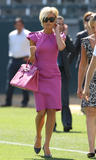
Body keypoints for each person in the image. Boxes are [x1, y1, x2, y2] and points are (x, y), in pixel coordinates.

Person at [27, 7, 66, 158]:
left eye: (52, 19)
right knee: (40, 112)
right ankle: (38, 136)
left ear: (55, 21)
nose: (48, 22)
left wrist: (56, 31)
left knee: (51, 111)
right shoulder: (34, 36)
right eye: (46, 20)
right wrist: (31, 54)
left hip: (54, 78)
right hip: (39, 77)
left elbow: (61, 47)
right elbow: (31, 59)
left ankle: (47, 145)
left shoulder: (59, 35)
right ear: (42, 20)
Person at [77, 14, 96, 158]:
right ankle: (91, 148)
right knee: (90, 111)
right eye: (93, 27)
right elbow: (83, 65)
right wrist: (80, 86)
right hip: (91, 80)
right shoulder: (85, 42)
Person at [1, 17, 30, 107]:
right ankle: (8, 102)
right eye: (17, 24)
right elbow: (12, 47)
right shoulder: (11, 34)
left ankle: (24, 103)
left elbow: (32, 45)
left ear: (23, 25)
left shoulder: (28, 33)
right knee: (10, 82)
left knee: (24, 83)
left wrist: (29, 56)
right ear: (15, 25)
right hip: (13, 60)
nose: (19, 26)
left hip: (24, 60)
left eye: (20, 24)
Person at [54, 16, 75, 132]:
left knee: (64, 100)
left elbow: (73, 50)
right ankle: (52, 126)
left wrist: (67, 62)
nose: (60, 26)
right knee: (51, 100)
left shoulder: (66, 38)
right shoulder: (48, 37)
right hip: (50, 72)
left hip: (62, 72)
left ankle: (67, 124)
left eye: (62, 24)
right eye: (58, 23)